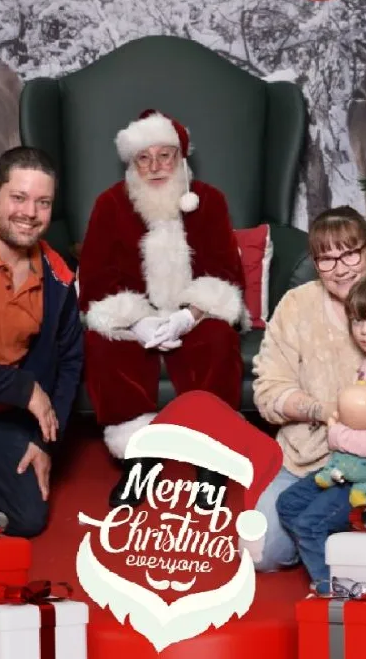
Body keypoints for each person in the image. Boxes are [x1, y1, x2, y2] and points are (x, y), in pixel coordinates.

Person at [78, 108, 247, 509]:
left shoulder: (211, 201)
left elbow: (226, 273)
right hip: (135, 315)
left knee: (218, 338)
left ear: (180, 156)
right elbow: (97, 279)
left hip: (192, 313)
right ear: (132, 162)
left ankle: (210, 457)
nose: (155, 167)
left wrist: (189, 315)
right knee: (103, 343)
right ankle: (141, 458)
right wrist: (135, 321)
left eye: (164, 155)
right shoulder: (109, 204)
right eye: (144, 157)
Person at [251, 205, 366, 572]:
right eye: (327, 259)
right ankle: (331, 535)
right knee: (260, 552)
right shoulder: (296, 304)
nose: (341, 268)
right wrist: (323, 411)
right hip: (304, 461)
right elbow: (268, 391)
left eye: (350, 253)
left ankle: (337, 535)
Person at [276, 270, 366, 586]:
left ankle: (332, 590)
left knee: (308, 524)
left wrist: (338, 436)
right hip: (349, 467)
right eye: (358, 321)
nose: (365, 331)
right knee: (287, 504)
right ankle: (346, 563)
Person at [0, 147, 83, 536]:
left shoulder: (58, 276)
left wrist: (43, 442)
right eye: (18, 197)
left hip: (4, 414)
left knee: (28, 518)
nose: (30, 213)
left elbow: (70, 362)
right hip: (13, 393)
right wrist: (22, 386)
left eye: (42, 202)